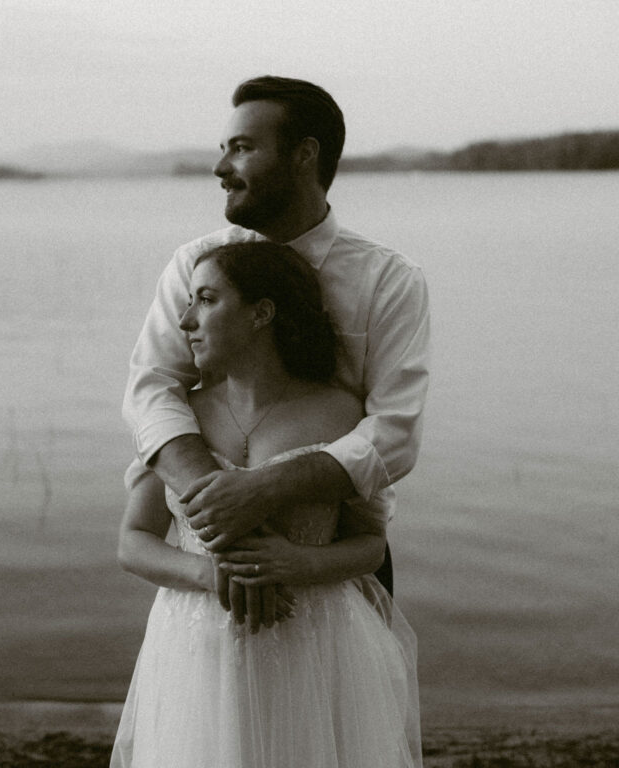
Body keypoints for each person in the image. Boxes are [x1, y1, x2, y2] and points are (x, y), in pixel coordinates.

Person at [121, 75, 431, 624]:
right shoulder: (194, 266)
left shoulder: (387, 280)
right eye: (224, 150)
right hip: (218, 558)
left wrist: (264, 490)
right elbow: (152, 389)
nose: (220, 169)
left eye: (241, 148)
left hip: (334, 564)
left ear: (303, 155)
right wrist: (222, 513)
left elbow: (395, 433)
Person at [112, 242, 421, 767]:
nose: (185, 320)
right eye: (188, 302)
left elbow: (370, 545)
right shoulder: (176, 420)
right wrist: (209, 574)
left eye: (206, 300)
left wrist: (300, 564)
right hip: (195, 649)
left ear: (262, 312)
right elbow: (133, 542)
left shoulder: (340, 415)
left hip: (316, 643)